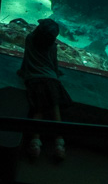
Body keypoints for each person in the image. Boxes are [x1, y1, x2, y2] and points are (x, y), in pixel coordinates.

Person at [19, 18, 71, 161]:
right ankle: (59, 144)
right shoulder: (52, 46)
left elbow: (26, 59)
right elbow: (54, 64)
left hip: (35, 79)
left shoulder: (30, 39)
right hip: (51, 79)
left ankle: (35, 143)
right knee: (56, 110)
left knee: (38, 109)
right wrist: (56, 74)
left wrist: (22, 71)